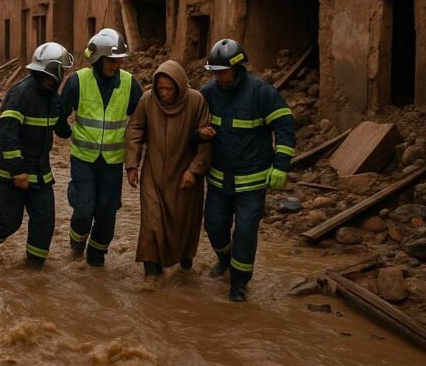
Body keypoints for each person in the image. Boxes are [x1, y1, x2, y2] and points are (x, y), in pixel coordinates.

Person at [200, 38, 296, 302]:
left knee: (244, 232)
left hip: (252, 181)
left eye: (223, 72)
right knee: (214, 226)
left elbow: (285, 128)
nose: (219, 78)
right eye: (215, 73)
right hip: (219, 179)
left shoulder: (262, 93)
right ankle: (225, 259)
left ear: (237, 67)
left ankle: (239, 283)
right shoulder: (208, 92)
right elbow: (193, 123)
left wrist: (281, 166)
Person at [0, 42, 73, 267]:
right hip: (12, 172)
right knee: (10, 222)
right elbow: (8, 134)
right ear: (54, 71)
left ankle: (34, 269)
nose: (63, 74)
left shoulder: (53, 97)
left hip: (40, 171)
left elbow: (62, 129)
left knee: (45, 220)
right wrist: (17, 170)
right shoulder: (20, 94)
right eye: (62, 70)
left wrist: (72, 115)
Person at [60, 28, 142, 266]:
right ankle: (77, 247)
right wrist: (67, 134)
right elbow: (59, 114)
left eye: (119, 60)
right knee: (84, 208)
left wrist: (133, 161)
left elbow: (139, 122)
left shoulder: (129, 84)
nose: (116, 65)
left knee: (107, 211)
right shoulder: (77, 81)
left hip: (113, 161)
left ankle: (96, 259)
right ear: (97, 59)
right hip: (83, 158)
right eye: (111, 60)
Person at [126, 60, 211, 283]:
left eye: (169, 89)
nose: (163, 93)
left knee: (183, 223)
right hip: (153, 174)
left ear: (180, 86)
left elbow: (206, 140)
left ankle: (184, 266)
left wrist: (194, 170)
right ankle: (151, 274)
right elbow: (135, 128)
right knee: (151, 224)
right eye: (160, 88)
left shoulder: (196, 101)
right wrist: (132, 164)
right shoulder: (148, 100)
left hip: (184, 175)